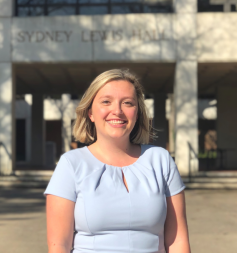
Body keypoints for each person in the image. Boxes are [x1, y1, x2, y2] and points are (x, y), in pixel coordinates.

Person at [44, 69, 191, 253]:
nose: (117, 111)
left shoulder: (161, 160)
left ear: (137, 113)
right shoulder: (71, 164)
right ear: (90, 113)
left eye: (128, 103)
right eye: (106, 101)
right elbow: (59, 245)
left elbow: (178, 242)